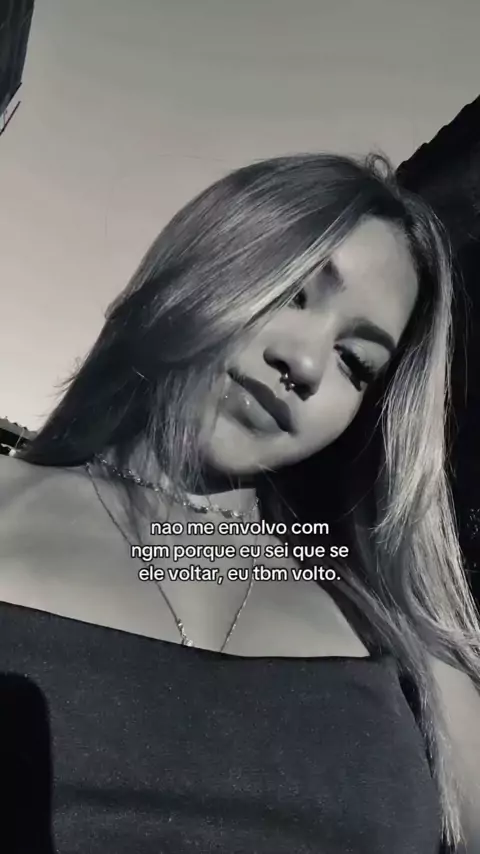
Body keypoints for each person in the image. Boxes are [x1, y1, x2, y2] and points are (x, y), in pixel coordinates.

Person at [0, 152, 479, 854]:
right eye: (294, 293)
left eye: (356, 363)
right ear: (206, 258)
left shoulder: (399, 633)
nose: (305, 365)